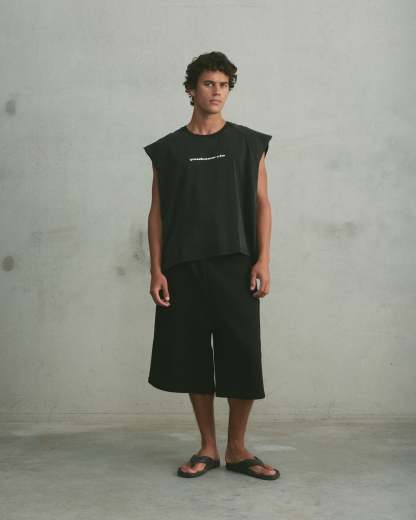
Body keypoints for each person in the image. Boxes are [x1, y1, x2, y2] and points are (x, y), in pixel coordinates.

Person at [143, 51, 280, 481]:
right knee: (192, 357)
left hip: (236, 264)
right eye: (208, 84)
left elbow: (262, 203)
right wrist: (156, 269)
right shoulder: (168, 150)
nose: (217, 91)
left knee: (241, 354)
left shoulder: (248, 143)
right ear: (191, 90)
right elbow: (157, 213)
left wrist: (263, 259)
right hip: (183, 266)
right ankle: (208, 446)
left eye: (223, 85)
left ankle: (237, 449)